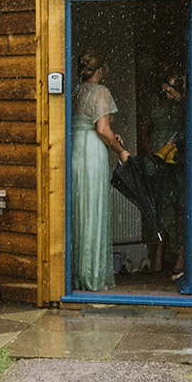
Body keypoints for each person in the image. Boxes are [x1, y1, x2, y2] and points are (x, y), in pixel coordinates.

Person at [70, 52, 129, 291]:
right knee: (93, 209)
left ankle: (76, 273)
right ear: (100, 71)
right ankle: (91, 274)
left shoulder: (74, 92)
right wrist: (120, 151)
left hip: (75, 149)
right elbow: (103, 129)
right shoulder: (100, 92)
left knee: (77, 209)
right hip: (92, 152)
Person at [141, 66, 187, 280]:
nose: (166, 95)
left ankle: (181, 255)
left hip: (179, 159)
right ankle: (159, 255)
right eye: (164, 92)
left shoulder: (185, 104)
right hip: (158, 160)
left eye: (169, 91)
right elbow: (144, 128)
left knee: (181, 205)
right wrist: (151, 153)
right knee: (161, 205)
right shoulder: (154, 102)